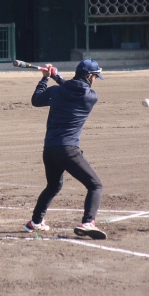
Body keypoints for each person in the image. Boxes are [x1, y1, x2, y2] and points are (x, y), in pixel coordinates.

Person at [23, 59, 107, 240]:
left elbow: (36, 100)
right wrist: (56, 76)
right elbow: (72, 88)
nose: (95, 80)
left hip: (49, 149)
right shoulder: (91, 97)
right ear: (89, 76)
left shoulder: (56, 92)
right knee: (95, 185)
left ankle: (35, 222)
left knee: (53, 185)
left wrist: (46, 78)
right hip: (68, 150)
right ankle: (88, 222)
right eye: (95, 77)